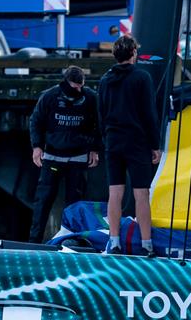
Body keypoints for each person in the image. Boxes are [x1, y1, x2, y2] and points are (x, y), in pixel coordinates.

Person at [98, 35, 161, 257]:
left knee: (114, 193)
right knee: (141, 194)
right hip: (137, 142)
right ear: (133, 53)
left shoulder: (105, 80)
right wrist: (155, 145)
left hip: (113, 142)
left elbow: (101, 113)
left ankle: (113, 242)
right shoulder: (142, 78)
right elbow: (148, 114)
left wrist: (106, 139)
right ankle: (146, 244)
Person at [28, 65, 100, 243]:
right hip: (52, 157)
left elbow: (101, 124)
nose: (79, 90)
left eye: (81, 86)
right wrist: (37, 147)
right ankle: (33, 242)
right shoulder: (50, 96)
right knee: (43, 202)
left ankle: (71, 241)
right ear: (66, 83)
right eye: (75, 87)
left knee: (75, 204)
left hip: (78, 158)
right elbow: (35, 121)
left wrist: (95, 149)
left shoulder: (91, 97)